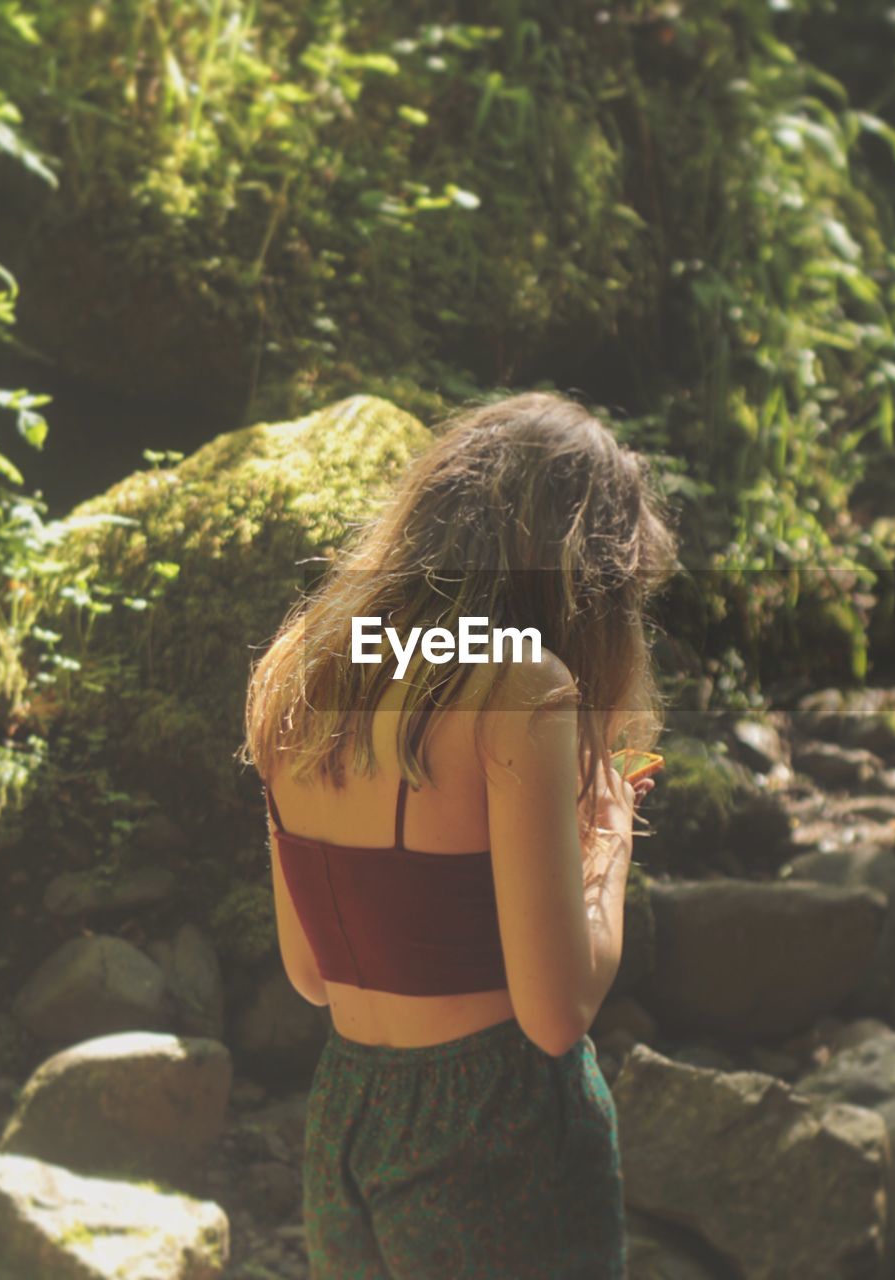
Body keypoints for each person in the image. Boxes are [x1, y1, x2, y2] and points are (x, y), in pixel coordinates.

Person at [239, 391, 679, 1278]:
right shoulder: (523, 691)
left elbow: (310, 975)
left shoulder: (299, 670)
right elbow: (557, 1018)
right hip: (499, 1124)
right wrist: (610, 835)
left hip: (348, 1115)